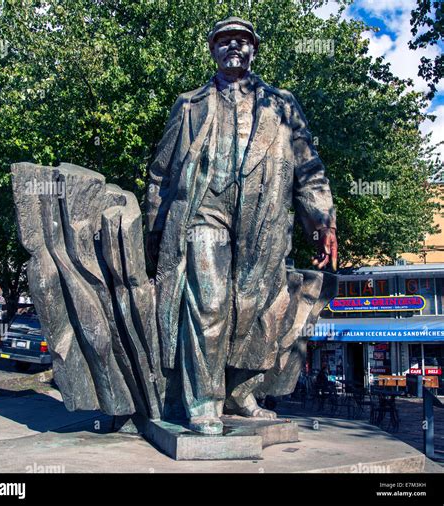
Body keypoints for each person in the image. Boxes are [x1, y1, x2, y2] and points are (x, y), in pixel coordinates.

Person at [146, 17, 337, 435]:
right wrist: (154, 229)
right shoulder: (190, 104)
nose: (233, 47)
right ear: (213, 49)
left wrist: (322, 220)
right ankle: (203, 401)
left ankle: (239, 390)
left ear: (253, 49)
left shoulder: (282, 105)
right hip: (204, 211)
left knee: (257, 308)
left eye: (242, 41)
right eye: (224, 41)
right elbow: (160, 172)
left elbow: (308, 167)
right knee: (209, 301)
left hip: (263, 217)